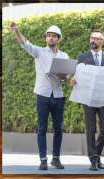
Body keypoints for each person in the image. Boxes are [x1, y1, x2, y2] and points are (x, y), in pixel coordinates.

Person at [10, 22, 68, 170]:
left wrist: (63, 76)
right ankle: (43, 159)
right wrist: (17, 31)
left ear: (58, 39)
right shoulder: (39, 52)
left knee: (58, 129)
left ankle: (56, 159)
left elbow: (66, 77)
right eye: (49, 36)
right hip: (43, 95)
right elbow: (24, 43)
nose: (51, 38)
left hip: (59, 96)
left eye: (54, 36)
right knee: (42, 128)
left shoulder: (64, 55)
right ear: (46, 38)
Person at [70, 30, 104, 171]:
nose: (95, 40)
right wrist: (72, 80)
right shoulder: (82, 57)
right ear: (90, 40)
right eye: (93, 38)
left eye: (99, 38)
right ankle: (93, 160)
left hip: (103, 98)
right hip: (88, 98)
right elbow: (76, 74)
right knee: (91, 129)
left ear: (103, 41)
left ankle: (96, 153)